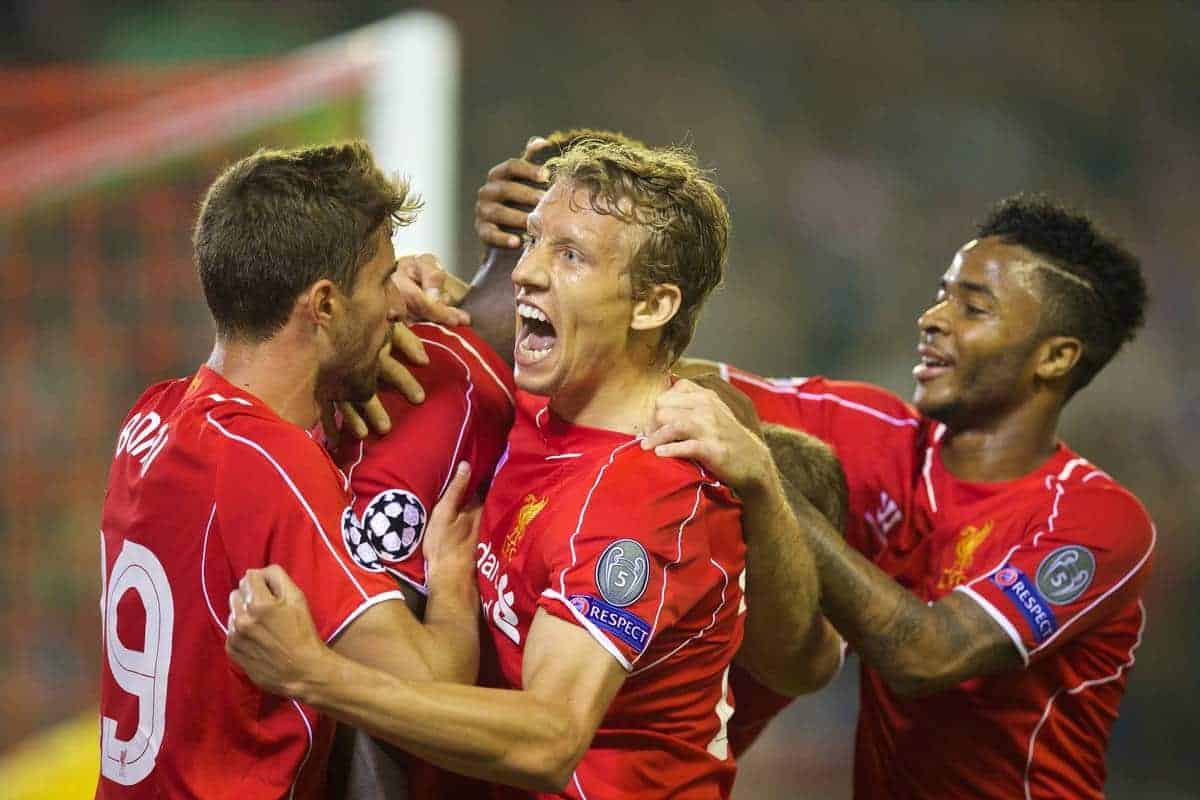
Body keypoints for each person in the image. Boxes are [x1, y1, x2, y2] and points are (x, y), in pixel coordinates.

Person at [226, 139, 824, 798]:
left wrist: (312, 672)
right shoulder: (549, 400)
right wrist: (373, 314)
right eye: (534, 241)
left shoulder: (644, 495)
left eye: (569, 256)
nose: (528, 272)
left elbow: (550, 738)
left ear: (652, 306)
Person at [675, 197, 1154, 798]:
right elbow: (674, 382)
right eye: (942, 294)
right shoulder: (881, 436)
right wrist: (531, 258)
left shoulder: (1095, 520)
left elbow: (926, 656)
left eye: (972, 307)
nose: (932, 317)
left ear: (1055, 357)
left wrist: (764, 483)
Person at [96, 142, 481, 799]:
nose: (396, 306)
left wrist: (338, 369)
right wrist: (449, 578)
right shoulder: (273, 464)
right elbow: (432, 690)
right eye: (385, 280)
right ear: (324, 305)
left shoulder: (150, 419)